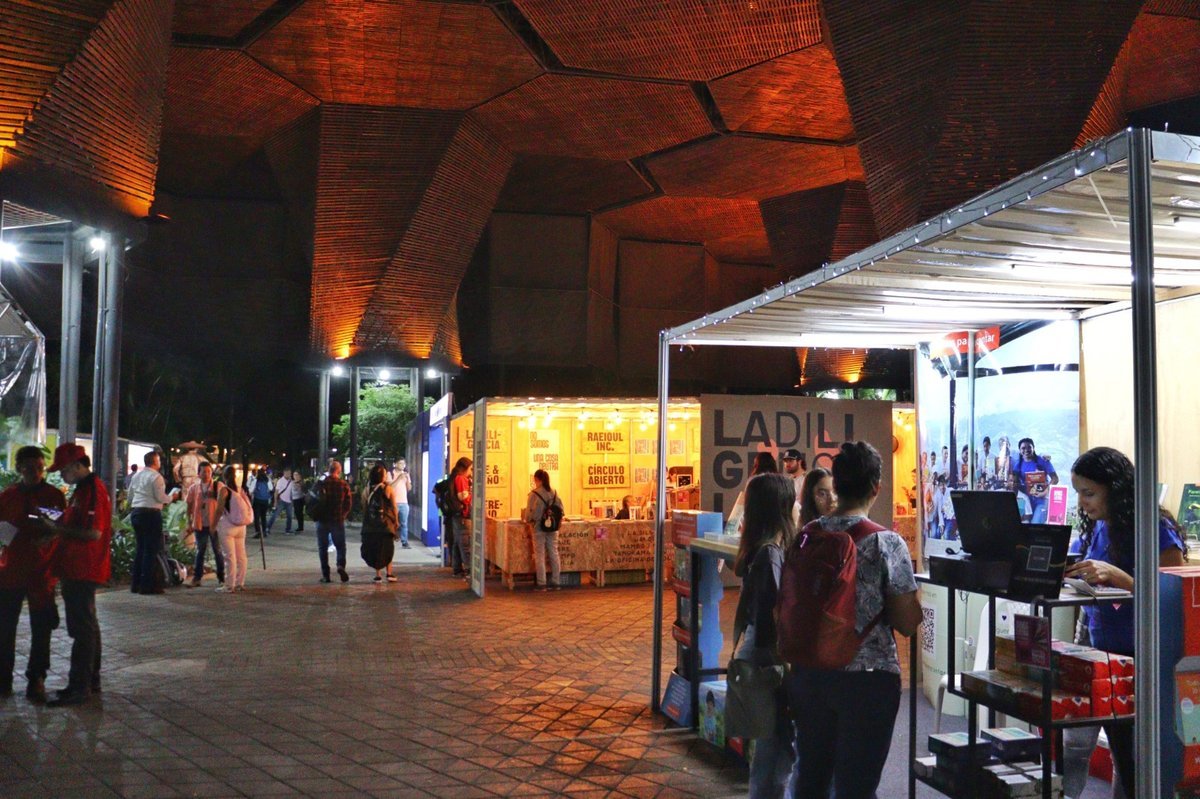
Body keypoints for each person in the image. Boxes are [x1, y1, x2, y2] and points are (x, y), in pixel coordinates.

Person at [784, 441, 921, 799]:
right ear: (876, 486)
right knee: (855, 786)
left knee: (810, 777)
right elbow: (907, 622)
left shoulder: (808, 534)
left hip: (809, 670)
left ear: (837, 485)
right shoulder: (886, 543)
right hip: (867, 680)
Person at [1063, 446, 1185, 798]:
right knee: (1114, 749)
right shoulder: (1100, 528)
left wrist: (1120, 577)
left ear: (1114, 489)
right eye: (1079, 494)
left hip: (1140, 652)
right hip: (1101, 646)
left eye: (1090, 493)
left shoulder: (1155, 528)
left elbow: (1171, 594)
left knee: (1137, 756)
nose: (1083, 503)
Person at [733, 472, 799, 798]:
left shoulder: (756, 550)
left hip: (753, 658)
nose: (798, 507)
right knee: (773, 756)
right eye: (793, 501)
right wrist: (787, 667)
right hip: (767, 662)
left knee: (767, 752)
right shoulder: (770, 553)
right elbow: (773, 619)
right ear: (780, 508)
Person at [42, 444, 112, 706]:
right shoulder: (84, 490)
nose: (61, 475)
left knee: (82, 629)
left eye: (62, 470)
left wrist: (57, 530)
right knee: (88, 626)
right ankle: (88, 682)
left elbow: (93, 533)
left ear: (76, 466)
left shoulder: (92, 491)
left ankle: (80, 686)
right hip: (79, 568)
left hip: (83, 568)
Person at [0, 445, 66, 702]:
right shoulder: (8, 496)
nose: (35, 473)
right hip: (11, 571)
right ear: (19, 468)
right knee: (5, 627)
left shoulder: (52, 496)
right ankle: (3, 678)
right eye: (30, 468)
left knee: (41, 627)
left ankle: (36, 678)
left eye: (40, 468)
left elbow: (60, 526)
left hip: (42, 571)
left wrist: (48, 534)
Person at [127, 450, 178, 595]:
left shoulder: (136, 476)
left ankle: (135, 584)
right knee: (150, 550)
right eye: (159, 461)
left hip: (137, 512)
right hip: (151, 514)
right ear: (155, 462)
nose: (160, 463)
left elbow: (130, 496)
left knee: (140, 549)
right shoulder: (156, 477)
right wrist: (171, 498)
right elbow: (160, 497)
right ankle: (147, 585)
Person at [312, 460, 353, 583]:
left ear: (329, 470)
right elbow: (348, 503)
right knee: (340, 546)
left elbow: (312, 499)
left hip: (322, 520)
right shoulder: (343, 484)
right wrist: (343, 515)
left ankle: (326, 575)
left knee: (322, 548)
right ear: (339, 471)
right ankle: (340, 565)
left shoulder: (322, 483)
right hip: (337, 520)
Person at [523, 469, 564, 591]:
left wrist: (528, 520)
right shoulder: (554, 493)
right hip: (553, 528)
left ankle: (542, 584)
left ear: (537, 479)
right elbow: (561, 510)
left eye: (535, 480)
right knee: (554, 553)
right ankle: (556, 582)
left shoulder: (533, 494)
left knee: (540, 555)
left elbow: (529, 514)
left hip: (538, 528)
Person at [185, 462, 224, 588]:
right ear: (198, 473)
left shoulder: (218, 486)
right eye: (203, 471)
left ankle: (222, 577)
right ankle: (197, 578)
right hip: (200, 524)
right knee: (200, 551)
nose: (206, 474)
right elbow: (189, 505)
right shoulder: (194, 488)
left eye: (208, 471)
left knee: (217, 551)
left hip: (215, 524)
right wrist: (188, 522)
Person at [361, 464, 398, 583]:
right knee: (388, 547)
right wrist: (396, 521)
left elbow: (364, 506)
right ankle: (389, 573)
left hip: (372, 525)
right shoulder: (388, 489)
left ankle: (378, 575)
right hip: (386, 524)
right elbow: (394, 506)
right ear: (382, 476)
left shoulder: (367, 489)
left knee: (375, 547)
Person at [215, 466, 249, 593]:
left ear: (224, 476)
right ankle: (240, 583)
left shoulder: (224, 490)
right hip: (241, 526)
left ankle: (229, 585)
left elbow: (219, 510)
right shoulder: (240, 490)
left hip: (227, 526)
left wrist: (213, 525)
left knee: (229, 556)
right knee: (241, 556)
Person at [727, 452, 779, 533]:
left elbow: (747, 501)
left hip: (755, 518)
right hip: (773, 520)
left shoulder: (754, 480)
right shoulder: (778, 480)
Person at [1011, 437, 1058, 523]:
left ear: (1033, 447)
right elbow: (1015, 483)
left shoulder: (1043, 461)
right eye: (1023, 448)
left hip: (1042, 501)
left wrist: (1045, 491)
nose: (1026, 450)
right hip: (1026, 502)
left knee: (1035, 524)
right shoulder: (1018, 464)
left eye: (1029, 447)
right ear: (1019, 450)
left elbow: (1055, 479)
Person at [449, 457, 473, 579]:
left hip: (456, 515)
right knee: (465, 543)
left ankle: (457, 569)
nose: (471, 472)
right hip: (463, 515)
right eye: (470, 469)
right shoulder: (461, 479)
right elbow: (464, 497)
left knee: (458, 542)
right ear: (464, 468)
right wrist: (472, 495)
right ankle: (469, 570)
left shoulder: (453, 477)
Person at [389, 458, 412, 549]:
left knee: (404, 523)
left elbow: (409, 488)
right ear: (395, 464)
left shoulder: (406, 474)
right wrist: (399, 478)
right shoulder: (390, 474)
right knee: (392, 522)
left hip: (404, 502)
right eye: (400, 463)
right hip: (393, 502)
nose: (402, 465)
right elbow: (390, 486)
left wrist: (407, 480)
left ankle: (404, 541)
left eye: (403, 463)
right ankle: (390, 539)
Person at [266, 468, 294, 535]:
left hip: (289, 501)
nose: (289, 475)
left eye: (290, 473)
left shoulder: (291, 481)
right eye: (287, 473)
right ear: (284, 473)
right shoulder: (280, 481)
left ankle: (288, 530)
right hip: (281, 500)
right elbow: (276, 492)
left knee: (289, 516)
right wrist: (275, 502)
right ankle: (267, 528)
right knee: (275, 515)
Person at [249, 468, 272, 538]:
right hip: (265, 501)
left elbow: (250, 490)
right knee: (263, 516)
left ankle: (258, 532)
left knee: (256, 517)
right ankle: (264, 531)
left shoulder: (255, 480)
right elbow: (271, 488)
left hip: (257, 500)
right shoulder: (268, 480)